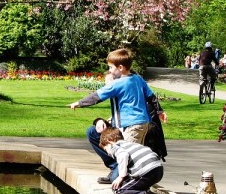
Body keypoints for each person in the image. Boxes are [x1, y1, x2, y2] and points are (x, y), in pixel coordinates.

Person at [69, 48, 166, 183]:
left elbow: (97, 96)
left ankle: (128, 179)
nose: (109, 70)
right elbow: (151, 96)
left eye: (110, 67)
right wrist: (160, 111)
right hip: (137, 123)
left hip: (132, 125)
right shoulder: (138, 79)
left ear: (120, 67)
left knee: (128, 154)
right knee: (116, 148)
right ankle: (118, 171)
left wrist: (79, 103)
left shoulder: (118, 83)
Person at [99, 127, 170, 194]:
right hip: (158, 169)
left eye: (106, 149)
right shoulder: (130, 144)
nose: (108, 153)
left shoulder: (115, 147)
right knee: (130, 181)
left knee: (118, 189)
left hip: (146, 172)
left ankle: (149, 193)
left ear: (109, 141)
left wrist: (121, 177)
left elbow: (123, 155)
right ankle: (148, 186)